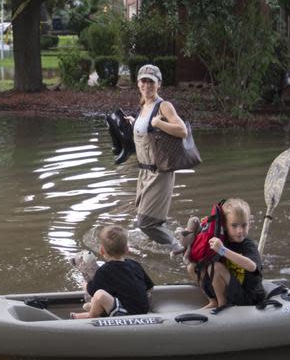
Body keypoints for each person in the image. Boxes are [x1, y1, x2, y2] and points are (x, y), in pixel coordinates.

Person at [130, 63, 190, 247]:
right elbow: (148, 133)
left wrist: (159, 123)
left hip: (159, 173)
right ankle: (175, 239)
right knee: (143, 218)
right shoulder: (144, 105)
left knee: (145, 223)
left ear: (159, 84)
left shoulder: (164, 106)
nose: (147, 86)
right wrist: (133, 123)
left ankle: (178, 249)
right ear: (138, 83)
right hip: (144, 172)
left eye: (151, 82)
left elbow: (182, 131)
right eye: (144, 81)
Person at [71, 226, 155, 319]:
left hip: (128, 314)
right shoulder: (135, 265)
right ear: (127, 250)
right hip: (143, 309)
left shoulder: (104, 271)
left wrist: (85, 284)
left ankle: (91, 315)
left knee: (100, 294)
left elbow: (92, 292)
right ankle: (100, 309)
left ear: (102, 251)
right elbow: (150, 288)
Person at [197, 198, 265, 310]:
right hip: (231, 289)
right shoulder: (222, 240)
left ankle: (222, 306)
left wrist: (223, 250)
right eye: (234, 225)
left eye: (244, 225)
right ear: (225, 226)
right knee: (193, 266)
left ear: (250, 225)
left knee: (216, 267)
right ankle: (213, 301)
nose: (239, 231)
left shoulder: (248, 245)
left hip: (248, 297)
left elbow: (252, 267)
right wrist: (190, 236)